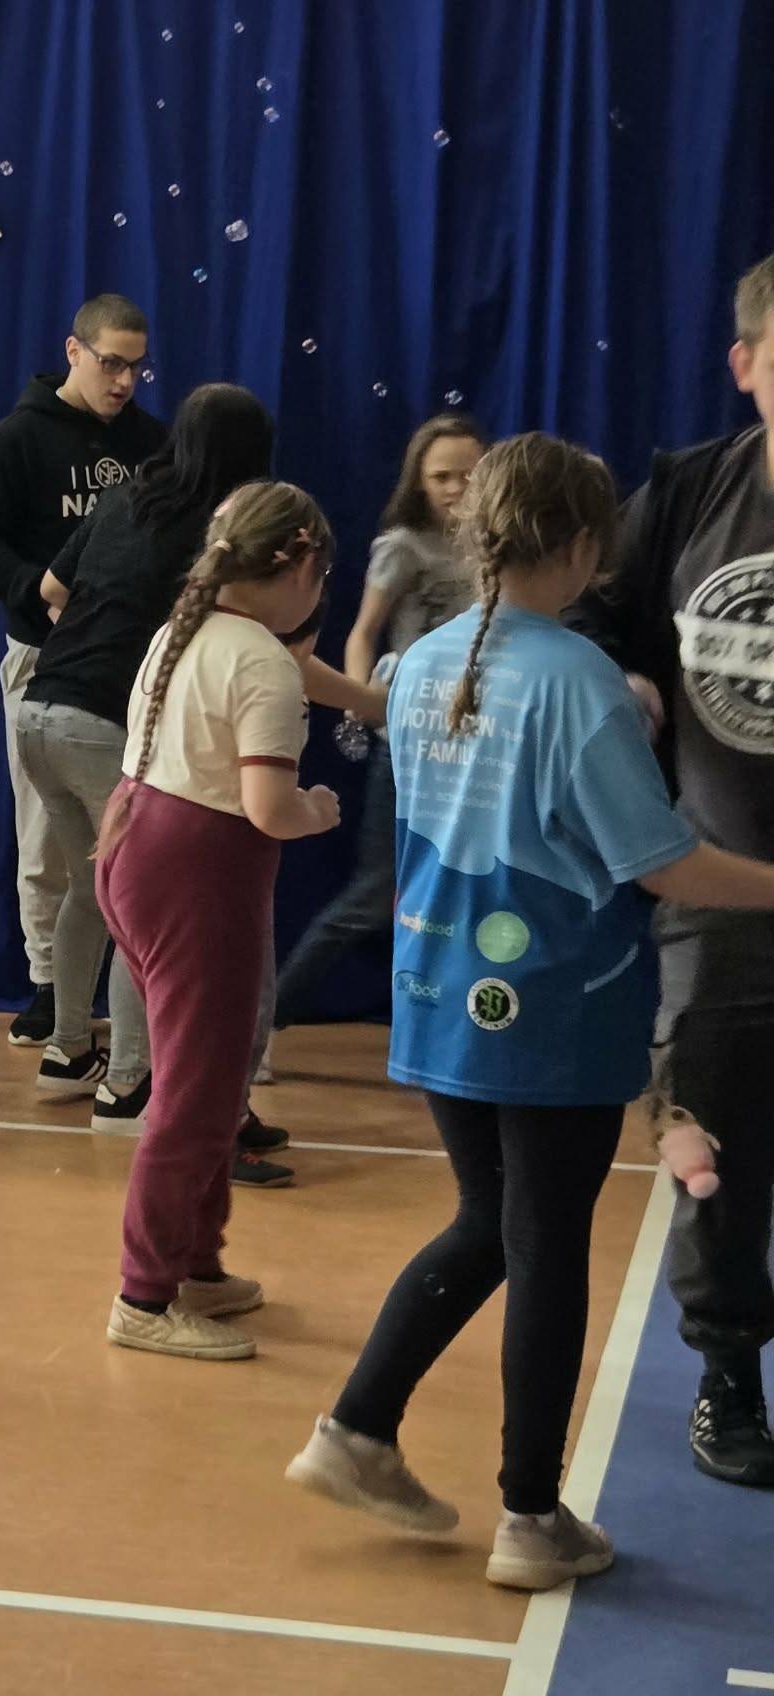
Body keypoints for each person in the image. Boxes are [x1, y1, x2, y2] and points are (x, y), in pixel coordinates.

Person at [286, 432, 774, 1585]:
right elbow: (661, 862)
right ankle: (528, 1514)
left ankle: (355, 1427)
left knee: (488, 1221)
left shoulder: (423, 661)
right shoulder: (576, 681)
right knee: (545, 1249)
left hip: (437, 987)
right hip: (553, 1001)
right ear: (585, 546)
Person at [567, 252, 774, 1488]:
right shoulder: (690, 492)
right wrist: (624, 681)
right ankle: (727, 1373)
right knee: (718, 1145)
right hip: (719, 892)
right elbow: (587, 615)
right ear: (744, 364)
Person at [97, 483, 341, 1361]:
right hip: (197, 870)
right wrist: (317, 809)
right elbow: (268, 805)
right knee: (199, 1095)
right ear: (300, 566)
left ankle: (194, 1262)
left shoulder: (183, 628)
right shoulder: (263, 661)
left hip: (136, 840)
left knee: (201, 1073)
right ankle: (144, 1294)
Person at [14, 385, 275, 1121]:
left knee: (90, 892)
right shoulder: (221, 527)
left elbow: (50, 589)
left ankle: (69, 1050)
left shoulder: (125, 494)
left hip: (38, 709)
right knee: (142, 912)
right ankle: (127, 1081)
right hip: (101, 725)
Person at [0, 295, 167, 1047]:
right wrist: (36, 592)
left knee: (137, 829)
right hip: (43, 662)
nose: (124, 381)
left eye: (137, 367)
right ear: (73, 352)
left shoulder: (152, 442)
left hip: (134, 667)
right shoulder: (20, 437)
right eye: (111, 363)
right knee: (46, 832)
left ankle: (125, 986)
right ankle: (50, 984)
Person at [269, 415, 486, 1042]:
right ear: (419, 481)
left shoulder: (492, 545)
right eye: (441, 477)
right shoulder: (404, 545)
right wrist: (363, 702)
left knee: (465, 889)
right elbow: (364, 632)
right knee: (375, 894)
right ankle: (265, 1019)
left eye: (468, 475)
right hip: (413, 741)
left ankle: (454, 1031)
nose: (456, 488)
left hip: (476, 743)